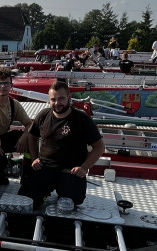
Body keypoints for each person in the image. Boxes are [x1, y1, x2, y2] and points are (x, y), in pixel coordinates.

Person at [20, 81, 105, 210]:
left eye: (61, 99)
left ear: (69, 98)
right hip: (46, 167)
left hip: (70, 170)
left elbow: (99, 147)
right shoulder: (43, 115)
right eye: (53, 99)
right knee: (26, 197)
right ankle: (43, 193)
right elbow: (32, 136)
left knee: (73, 200)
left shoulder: (82, 119)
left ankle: (63, 190)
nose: (57, 103)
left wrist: (84, 168)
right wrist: (34, 158)